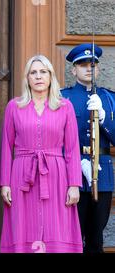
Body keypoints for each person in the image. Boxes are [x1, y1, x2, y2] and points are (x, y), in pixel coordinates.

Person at [0, 55, 83, 253]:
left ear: (51, 76)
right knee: (22, 225)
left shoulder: (65, 106)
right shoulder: (14, 106)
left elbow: (72, 149)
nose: (38, 76)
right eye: (33, 72)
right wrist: (4, 183)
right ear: (27, 78)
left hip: (56, 175)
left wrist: (74, 185)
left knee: (56, 225)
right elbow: (5, 147)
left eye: (43, 72)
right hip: (22, 175)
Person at [61, 43, 115, 253]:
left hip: (101, 175)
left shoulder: (110, 99)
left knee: (96, 237)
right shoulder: (62, 97)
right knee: (72, 235)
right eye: (82, 65)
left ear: (98, 69)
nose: (88, 68)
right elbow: (55, 138)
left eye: (93, 64)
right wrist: (75, 161)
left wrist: (103, 117)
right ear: (74, 70)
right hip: (70, 174)